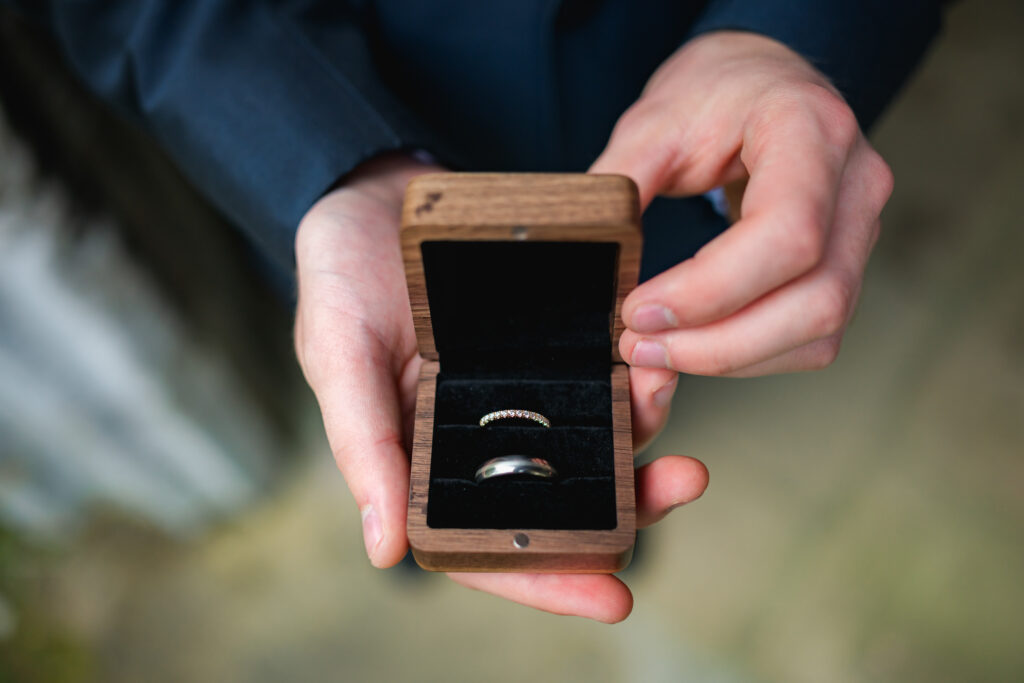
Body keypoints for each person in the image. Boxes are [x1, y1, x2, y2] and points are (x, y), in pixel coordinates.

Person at [6, 0, 944, 622]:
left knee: (644, 373)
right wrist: (336, 166)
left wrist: (784, 31)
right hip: (344, 133)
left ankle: (561, 500)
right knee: (385, 413)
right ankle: (440, 532)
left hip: (675, 132)